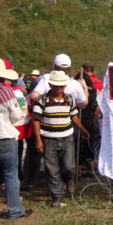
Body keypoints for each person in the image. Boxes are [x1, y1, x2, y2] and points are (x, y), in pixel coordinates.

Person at [31, 70, 90, 208]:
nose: (59, 88)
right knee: (52, 169)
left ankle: (69, 180)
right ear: (50, 85)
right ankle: (57, 197)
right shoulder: (42, 101)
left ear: (64, 85)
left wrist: (82, 129)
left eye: (61, 85)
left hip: (67, 137)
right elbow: (35, 120)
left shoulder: (69, 99)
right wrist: (38, 140)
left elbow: (74, 116)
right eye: (56, 85)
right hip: (48, 139)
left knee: (69, 166)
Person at [0, 58, 32, 219]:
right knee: (11, 174)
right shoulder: (6, 91)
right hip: (5, 136)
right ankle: (15, 210)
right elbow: (17, 116)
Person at [75, 62, 102, 175]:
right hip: (94, 114)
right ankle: (92, 166)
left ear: (83, 69)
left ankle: (79, 169)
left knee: (79, 142)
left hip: (79, 115)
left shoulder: (78, 81)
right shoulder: (100, 82)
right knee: (93, 141)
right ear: (93, 70)